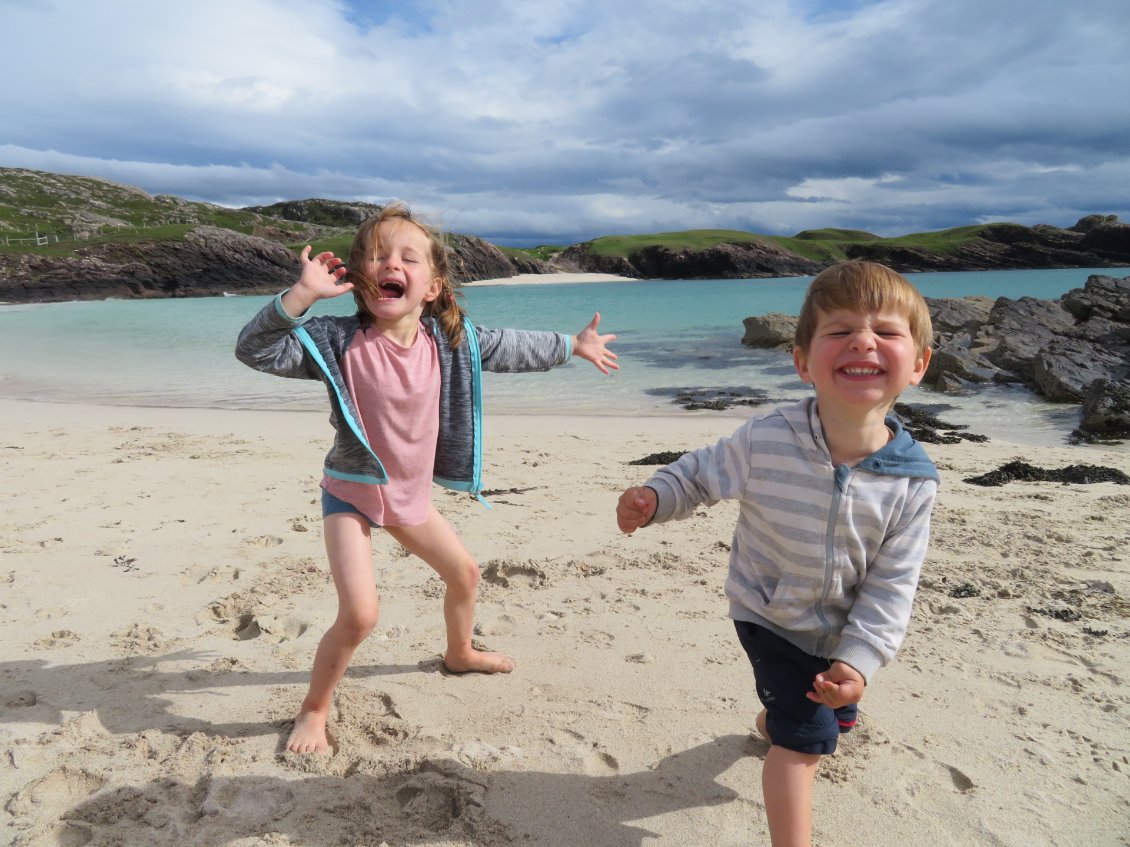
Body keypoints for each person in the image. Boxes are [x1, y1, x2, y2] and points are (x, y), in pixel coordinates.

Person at [236, 202, 617, 754]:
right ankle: (314, 709)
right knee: (361, 615)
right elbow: (255, 350)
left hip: (411, 498)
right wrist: (301, 295)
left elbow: (510, 346)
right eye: (375, 256)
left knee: (465, 575)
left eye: (407, 257)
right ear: (358, 277)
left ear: (433, 286)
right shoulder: (335, 341)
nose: (390, 263)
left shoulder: (449, 342)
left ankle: (459, 653)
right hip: (352, 493)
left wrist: (571, 346)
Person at [615, 260, 938, 847]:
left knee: (832, 717)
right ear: (802, 360)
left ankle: (775, 719)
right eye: (839, 331)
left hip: (841, 629)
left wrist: (861, 660)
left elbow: (894, 585)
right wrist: (655, 497)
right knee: (804, 745)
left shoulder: (913, 482)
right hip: (768, 615)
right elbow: (701, 474)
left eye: (886, 332)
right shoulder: (768, 438)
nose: (863, 340)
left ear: (917, 364)